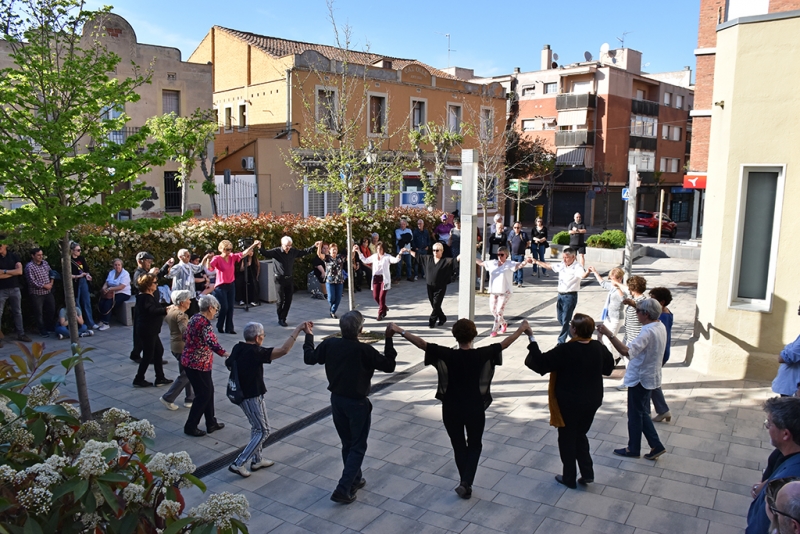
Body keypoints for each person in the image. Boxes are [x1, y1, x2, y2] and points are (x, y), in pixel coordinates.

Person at [389, 318, 528, 499]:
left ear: (455, 335)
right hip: (474, 408)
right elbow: (505, 344)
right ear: (474, 335)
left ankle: (465, 483)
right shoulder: (481, 354)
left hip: (451, 408)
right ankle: (466, 483)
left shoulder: (448, 355)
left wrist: (399, 329)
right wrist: (522, 329)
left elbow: (422, 344)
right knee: (475, 445)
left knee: (458, 445)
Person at [303, 310, 397, 504]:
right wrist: (389, 340)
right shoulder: (364, 351)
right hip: (357, 404)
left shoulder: (330, 344)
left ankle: (355, 478)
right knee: (358, 445)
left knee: (347, 443)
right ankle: (344, 488)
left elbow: (310, 358)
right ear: (360, 330)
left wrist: (309, 336)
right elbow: (389, 365)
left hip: (337, 401)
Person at [525, 313, 614, 488]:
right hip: (593, 400)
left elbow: (541, 363)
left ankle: (569, 477)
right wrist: (600, 339)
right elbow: (609, 367)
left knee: (566, 438)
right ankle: (587, 472)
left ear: (574, 330)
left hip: (569, 403)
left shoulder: (566, 350)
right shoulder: (597, 347)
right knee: (580, 434)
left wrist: (531, 337)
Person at [226, 321, 308, 478]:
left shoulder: (238, 347)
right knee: (263, 431)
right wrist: (298, 330)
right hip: (250, 396)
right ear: (257, 338)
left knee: (257, 427)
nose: (263, 338)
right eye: (263, 336)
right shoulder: (255, 352)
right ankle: (239, 463)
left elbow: (228, 363)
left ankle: (257, 460)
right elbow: (284, 350)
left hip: (250, 394)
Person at [597, 298, 667, 461]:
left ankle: (634, 448)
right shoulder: (659, 325)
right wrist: (634, 304)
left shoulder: (647, 331)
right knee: (641, 413)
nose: (636, 314)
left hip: (640, 378)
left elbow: (626, 351)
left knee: (636, 415)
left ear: (646, 314)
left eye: (638, 311)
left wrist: (609, 334)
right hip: (651, 375)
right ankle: (654, 445)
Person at [747, 397, 800, 534]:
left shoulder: (788, 485)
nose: (766, 426)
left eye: (769, 424)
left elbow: (764, 527)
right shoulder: (783, 454)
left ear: (786, 434)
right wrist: (763, 485)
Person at [182, 294, 229, 437]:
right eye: (215, 309)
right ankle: (190, 426)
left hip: (192, 361)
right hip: (198, 364)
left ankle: (211, 422)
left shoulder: (194, 318)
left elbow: (185, 336)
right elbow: (212, 343)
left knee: (208, 390)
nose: (215, 312)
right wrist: (226, 354)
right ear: (210, 308)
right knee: (203, 394)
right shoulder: (205, 324)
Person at [260, 236, 321, 327]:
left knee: (289, 299)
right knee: (280, 300)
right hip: (279, 279)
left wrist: (313, 246)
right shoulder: (276, 252)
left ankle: (283, 317)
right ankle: (280, 317)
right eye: (286, 246)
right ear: (282, 245)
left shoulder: (293, 251)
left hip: (289, 278)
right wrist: (259, 247)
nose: (288, 248)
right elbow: (265, 253)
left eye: (290, 246)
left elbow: (303, 252)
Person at [532, 247, 588, 344]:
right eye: (563, 257)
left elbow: (583, 275)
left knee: (566, 320)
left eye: (566, 257)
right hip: (560, 296)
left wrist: (589, 272)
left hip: (570, 296)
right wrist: (536, 261)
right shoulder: (562, 265)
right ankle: (575, 336)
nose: (564, 259)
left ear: (573, 257)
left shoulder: (577, 267)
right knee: (560, 318)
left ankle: (561, 342)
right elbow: (549, 266)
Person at [209, 239, 261, 335]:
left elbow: (243, 253)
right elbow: (209, 267)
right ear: (221, 249)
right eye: (226, 249)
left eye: (230, 249)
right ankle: (220, 325)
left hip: (231, 284)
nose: (228, 251)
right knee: (224, 307)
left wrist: (253, 245)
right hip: (220, 286)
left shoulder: (232, 257)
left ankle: (229, 328)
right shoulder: (217, 258)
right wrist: (206, 259)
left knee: (231, 307)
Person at [475, 246, 530, 337]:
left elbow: (518, 265)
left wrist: (525, 261)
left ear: (506, 255)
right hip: (493, 291)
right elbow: (481, 263)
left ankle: (494, 330)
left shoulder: (510, 264)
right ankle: (504, 323)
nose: (499, 256)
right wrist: (470, 256)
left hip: (505, 292)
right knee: (493, 310)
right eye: (498, 254)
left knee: (499, 311)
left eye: (502, 255)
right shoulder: (493, 263)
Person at [130, 251, 174, 363]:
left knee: (151, 336)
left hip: (152, 305)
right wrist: (150, 274)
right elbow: (140, 285)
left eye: (150, 261)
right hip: (145, 308)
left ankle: (151, 357)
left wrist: (166, 265)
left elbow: (158, 275)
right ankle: (139, 355)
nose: (150, 263)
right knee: (143, 334)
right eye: (147, 261)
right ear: (140, 261)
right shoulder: (138, 273)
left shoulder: (146, 272)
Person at [132, 274, 173, 388]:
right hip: (148, 330)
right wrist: (165, 310)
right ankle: (139, 378)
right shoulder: (145, 298)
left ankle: (160, 377)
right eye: (155, 283)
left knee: (158, 351)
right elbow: (152, 311)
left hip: (151, 330)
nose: (156, 284)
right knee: (148, 355)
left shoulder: (148, 296)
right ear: (149, 285)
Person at [159, 290, 194, 411]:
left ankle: (190, 398)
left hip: (175, 346)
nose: (190, 301)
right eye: (188, 299)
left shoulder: (171, 310)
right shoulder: (181, 316)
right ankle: (168, 398)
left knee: (186, 372)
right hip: (182, 347)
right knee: (188, 374)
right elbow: (186, 332)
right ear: (182, 302)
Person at [409, 243, 458, 328]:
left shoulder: (446, 261)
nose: (435, 252)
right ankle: (442, 318)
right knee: (434, 304)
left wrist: (468, 249)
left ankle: (432, 321)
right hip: (430, 286)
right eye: (434, 250)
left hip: (440, 287)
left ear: (442, 251)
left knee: (436, 304)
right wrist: (408, 250)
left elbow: (456, 259)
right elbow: (418, 256)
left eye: (437, 250)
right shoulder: (428, 258)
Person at [354, 242, 403, 321]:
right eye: (377, 248)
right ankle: (383, 307)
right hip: (376, 279)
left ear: (383, 249)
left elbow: (396, 260)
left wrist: (400, 253)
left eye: (380, 248)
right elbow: (365, 260)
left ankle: (380, 313)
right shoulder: (374, 256)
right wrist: (359, 251)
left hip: (384, 279)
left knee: (381, 296)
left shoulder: (387, 257)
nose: (379, 250)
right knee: (375, 296)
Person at [616, 275, 648, 390]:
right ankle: (629, 379)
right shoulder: (632, 297)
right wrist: (616, 283)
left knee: (631, 361)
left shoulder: (642, 302)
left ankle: (629, 382)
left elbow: (641, 308)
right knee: (623, 356)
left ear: (633, 288)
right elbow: (624, 288)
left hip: (635, 336)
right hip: (628, 334)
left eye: (630, 287)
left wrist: (632, 304)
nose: (628, 289)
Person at [588, 266, 626, 360]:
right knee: (601, 335)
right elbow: (603, 283)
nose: (611, 281)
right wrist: (595, 272)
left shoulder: (621, 289)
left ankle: (610, 360)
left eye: (613, 279)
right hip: (609, 317)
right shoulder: (613, 287)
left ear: (619, 279)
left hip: (616, 318)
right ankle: (616, 356)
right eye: (611, 279)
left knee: (608, 338)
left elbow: (624, 300)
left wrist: (618, 287)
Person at [649, 287, 674, 423]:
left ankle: (662, 410)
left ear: (662, 302)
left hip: (659, 353)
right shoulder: (667, 313)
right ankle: (662, 410)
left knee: (650, 383)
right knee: (652, 382)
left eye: (653, 300)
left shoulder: (662, 317)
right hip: (663, 352)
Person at [168, 249, 214, 316]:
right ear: (180, 257)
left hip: (191, 295)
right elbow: (168, 275)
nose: (188, 257)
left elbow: (199, 268)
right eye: (187, 255)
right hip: (181, 296)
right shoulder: (178, 267)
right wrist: (169, 266)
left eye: (189, 255)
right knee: (181, 316)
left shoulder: (190, 265)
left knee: (191, 315)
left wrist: (205, 258)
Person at [0, 240, 30, 344]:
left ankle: (21, 334)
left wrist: (4, 271)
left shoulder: (13, 256)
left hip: (14, 288)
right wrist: (13, 272)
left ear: (5, 245)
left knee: (17, 312)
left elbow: (19, 271)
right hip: (1, 290)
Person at [24, 247, 56, 338]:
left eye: (41, 255)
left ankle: (49, 326)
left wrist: (51, 283)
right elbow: (31, 281)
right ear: (32, 256)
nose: (40, 257)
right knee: (39, 312)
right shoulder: (29, 267)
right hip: (37, 293)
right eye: (38, 255)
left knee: (51, 309)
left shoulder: (45, 263)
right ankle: (42, 330)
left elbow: (51, 273)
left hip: (48, 291)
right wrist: (44, 285)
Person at [69, 241, 99, 333]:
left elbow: (86, 269)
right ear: (72, 250)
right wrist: (78, 276)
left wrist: (87, 275)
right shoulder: (68, 260)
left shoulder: (81, 258)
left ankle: (91, 322)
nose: (79, 252)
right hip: (75, 282)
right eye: (77, 250)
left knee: (87, 302)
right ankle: (80, 323)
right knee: (77, 303)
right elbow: (67, 275)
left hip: (83, 281)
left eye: (80, 250)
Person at [773, 304, 800, 398]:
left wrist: (787, 347)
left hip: (793, 389)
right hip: (791, 388)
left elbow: (782, 358)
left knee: (787, 411)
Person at [97, 258, 131, 330]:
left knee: (109, 303)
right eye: (115, 265)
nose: (117, 266)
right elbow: (107, 282)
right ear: (113, 266)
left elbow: (121, 286)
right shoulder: (111, 272)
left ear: (121, 266)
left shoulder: (125, 274)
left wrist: (109, 289)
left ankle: (106, 323)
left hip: (123, 293)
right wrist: (104, 288)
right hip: (111, 292)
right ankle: (102, 320)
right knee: (102, 302)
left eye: (119, 265)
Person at [324, 243, 346, 319]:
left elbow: (350, 257)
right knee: (331, 298)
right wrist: (319, 246)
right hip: (330, 281)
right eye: (333, 249)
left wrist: (353, 250)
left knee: (338, 297)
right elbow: (319, 255)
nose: (334, 251)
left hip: (339, 280)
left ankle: (333, 311)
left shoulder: (340, 257)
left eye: (336, 249)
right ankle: (332, 306)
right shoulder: (327, 258)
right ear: (329, 250)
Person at [508, 221, 531, 287]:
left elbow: (528, 242)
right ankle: (515, 280)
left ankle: (520, 282)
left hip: (520, 254)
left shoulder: (523, 234)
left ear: (520, 228)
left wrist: (524, 248)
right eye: (515, 227)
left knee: (520, 267)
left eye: (518, 228)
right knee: (514, 267)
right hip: (513, 253)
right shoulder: (512, 234)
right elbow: (509, 241)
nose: (516, 229)